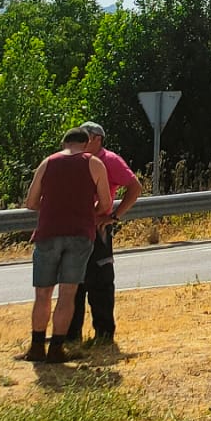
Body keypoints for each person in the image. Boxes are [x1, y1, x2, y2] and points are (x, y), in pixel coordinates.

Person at [21, 128, 109, 363]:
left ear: (63, 143)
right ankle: (57, 348)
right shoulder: (94, 164)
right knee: (67, 293)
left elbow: (31, 202)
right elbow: (106, 203)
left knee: (42, 293)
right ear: (87, 142)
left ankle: (37, 346)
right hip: (80, 235)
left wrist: (53, 208)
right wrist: (86, 210)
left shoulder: (47, 163)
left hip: (48, 233)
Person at [68, 122, 142, 345]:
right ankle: (71, 336)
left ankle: (104, 335)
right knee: (73, 283)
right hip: (75, 229)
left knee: (100, 282)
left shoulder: (109, 160)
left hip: (98, 229)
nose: (81, 141)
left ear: (97, 139)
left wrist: (115, 215)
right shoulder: (75, 161)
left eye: (85, 137)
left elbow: (135, 187)